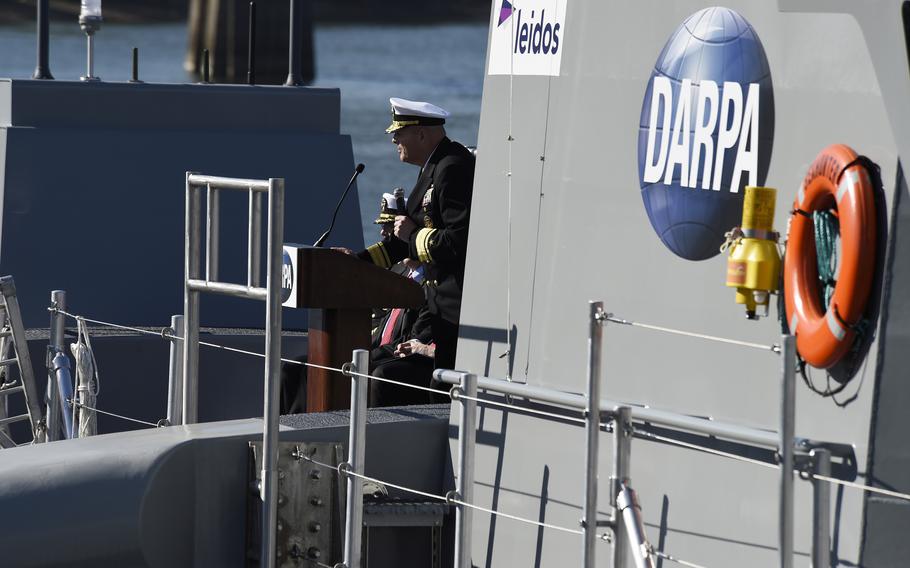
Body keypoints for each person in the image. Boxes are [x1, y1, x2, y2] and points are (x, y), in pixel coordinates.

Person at [349, 97, 476, 372]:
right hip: (438, 307)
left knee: (441, 392)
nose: (394, 140)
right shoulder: (433, 166)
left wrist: (413, 234)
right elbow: (399, 244)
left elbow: (460, 240)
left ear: (421, 133)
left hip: (453, 309)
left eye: (398, 133)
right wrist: (355, 262)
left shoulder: (453, 167)